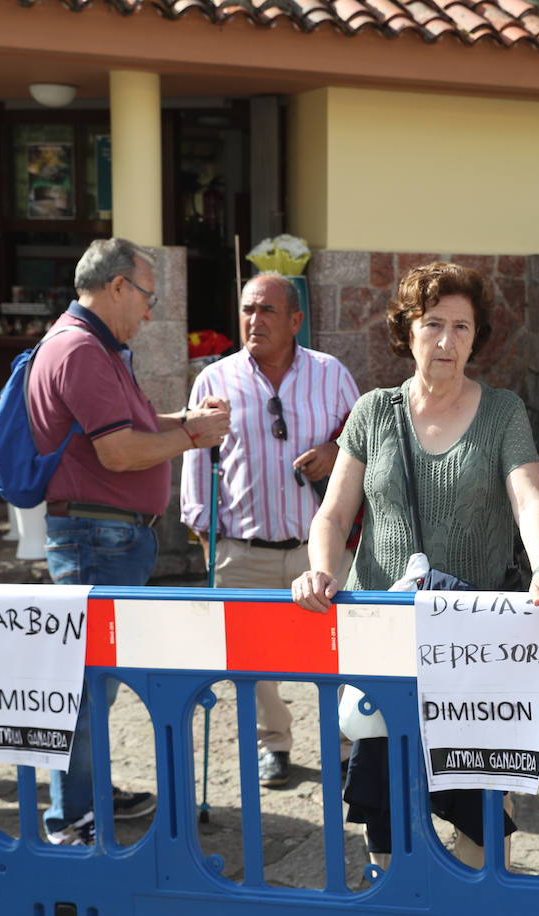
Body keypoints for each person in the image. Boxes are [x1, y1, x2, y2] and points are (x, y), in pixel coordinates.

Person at [291, 260, 539, 868]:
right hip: (388, 641)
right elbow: (335, 515)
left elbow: (530, 498)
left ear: (476, 338)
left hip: (470, 649)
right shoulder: (373, 412)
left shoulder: (503, 412)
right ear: (408, 329)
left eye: (462, 328)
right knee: (386, 813)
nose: (447, 341)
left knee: (477, 819)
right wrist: (321, 570)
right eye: (433, 324)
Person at [28, 237, 231, 845]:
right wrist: (193, 436)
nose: (150, 312)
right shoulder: (83, 351)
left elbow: (127, 429)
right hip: (99, 536)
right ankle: (73, 820)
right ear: (116, 286)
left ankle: (87, 797)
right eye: (147, 296)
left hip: (103, 535)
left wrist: (186, 421)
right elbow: (119, 451)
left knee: (96, 683)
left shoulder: (92, 346)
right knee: (87, 687)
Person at [181, 272, 359, 789]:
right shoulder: (214, 380)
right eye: (247, 310)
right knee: (252, 662)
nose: (254, 320)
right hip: (243, 548)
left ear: (296, 320)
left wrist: (335, 452)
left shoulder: (330, 374)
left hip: (318, 549)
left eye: (267, 310)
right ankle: (273, 742)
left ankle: (349, 744)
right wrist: (204, 533)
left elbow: (367, 439)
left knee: (342, 649)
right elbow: (195, 457)